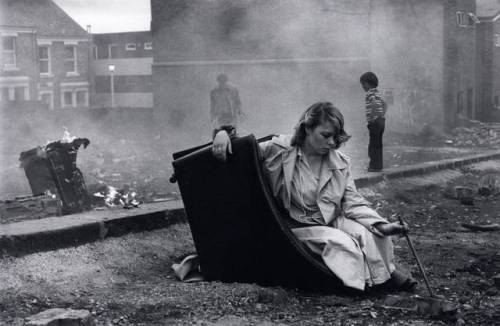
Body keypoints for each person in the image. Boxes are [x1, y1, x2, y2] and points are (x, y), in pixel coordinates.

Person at [212, 102, 416, 292]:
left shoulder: (340, 162)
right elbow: (242, 150)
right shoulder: (279, 150)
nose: (331, 142)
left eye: (335, 137)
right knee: (342, 242)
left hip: (330, 220)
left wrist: (383, 226)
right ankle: (369, 286)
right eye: (326, 135)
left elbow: (353, 204)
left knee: (371, 235)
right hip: (294, 226)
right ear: (307, 128)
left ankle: (386, 276)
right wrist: (222, 134)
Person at [360, 72, 387, 172]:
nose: (363, 86)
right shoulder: (378, 93)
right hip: (380, 122)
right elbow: (385, 105)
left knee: (373, 146)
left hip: (375, 123)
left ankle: (374, 167)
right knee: (378, 145)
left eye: (364, 84)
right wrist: (381, 116)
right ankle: (378, 166)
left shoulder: (370, 94)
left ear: (369, 83)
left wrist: (371, 120)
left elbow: (375, 105)